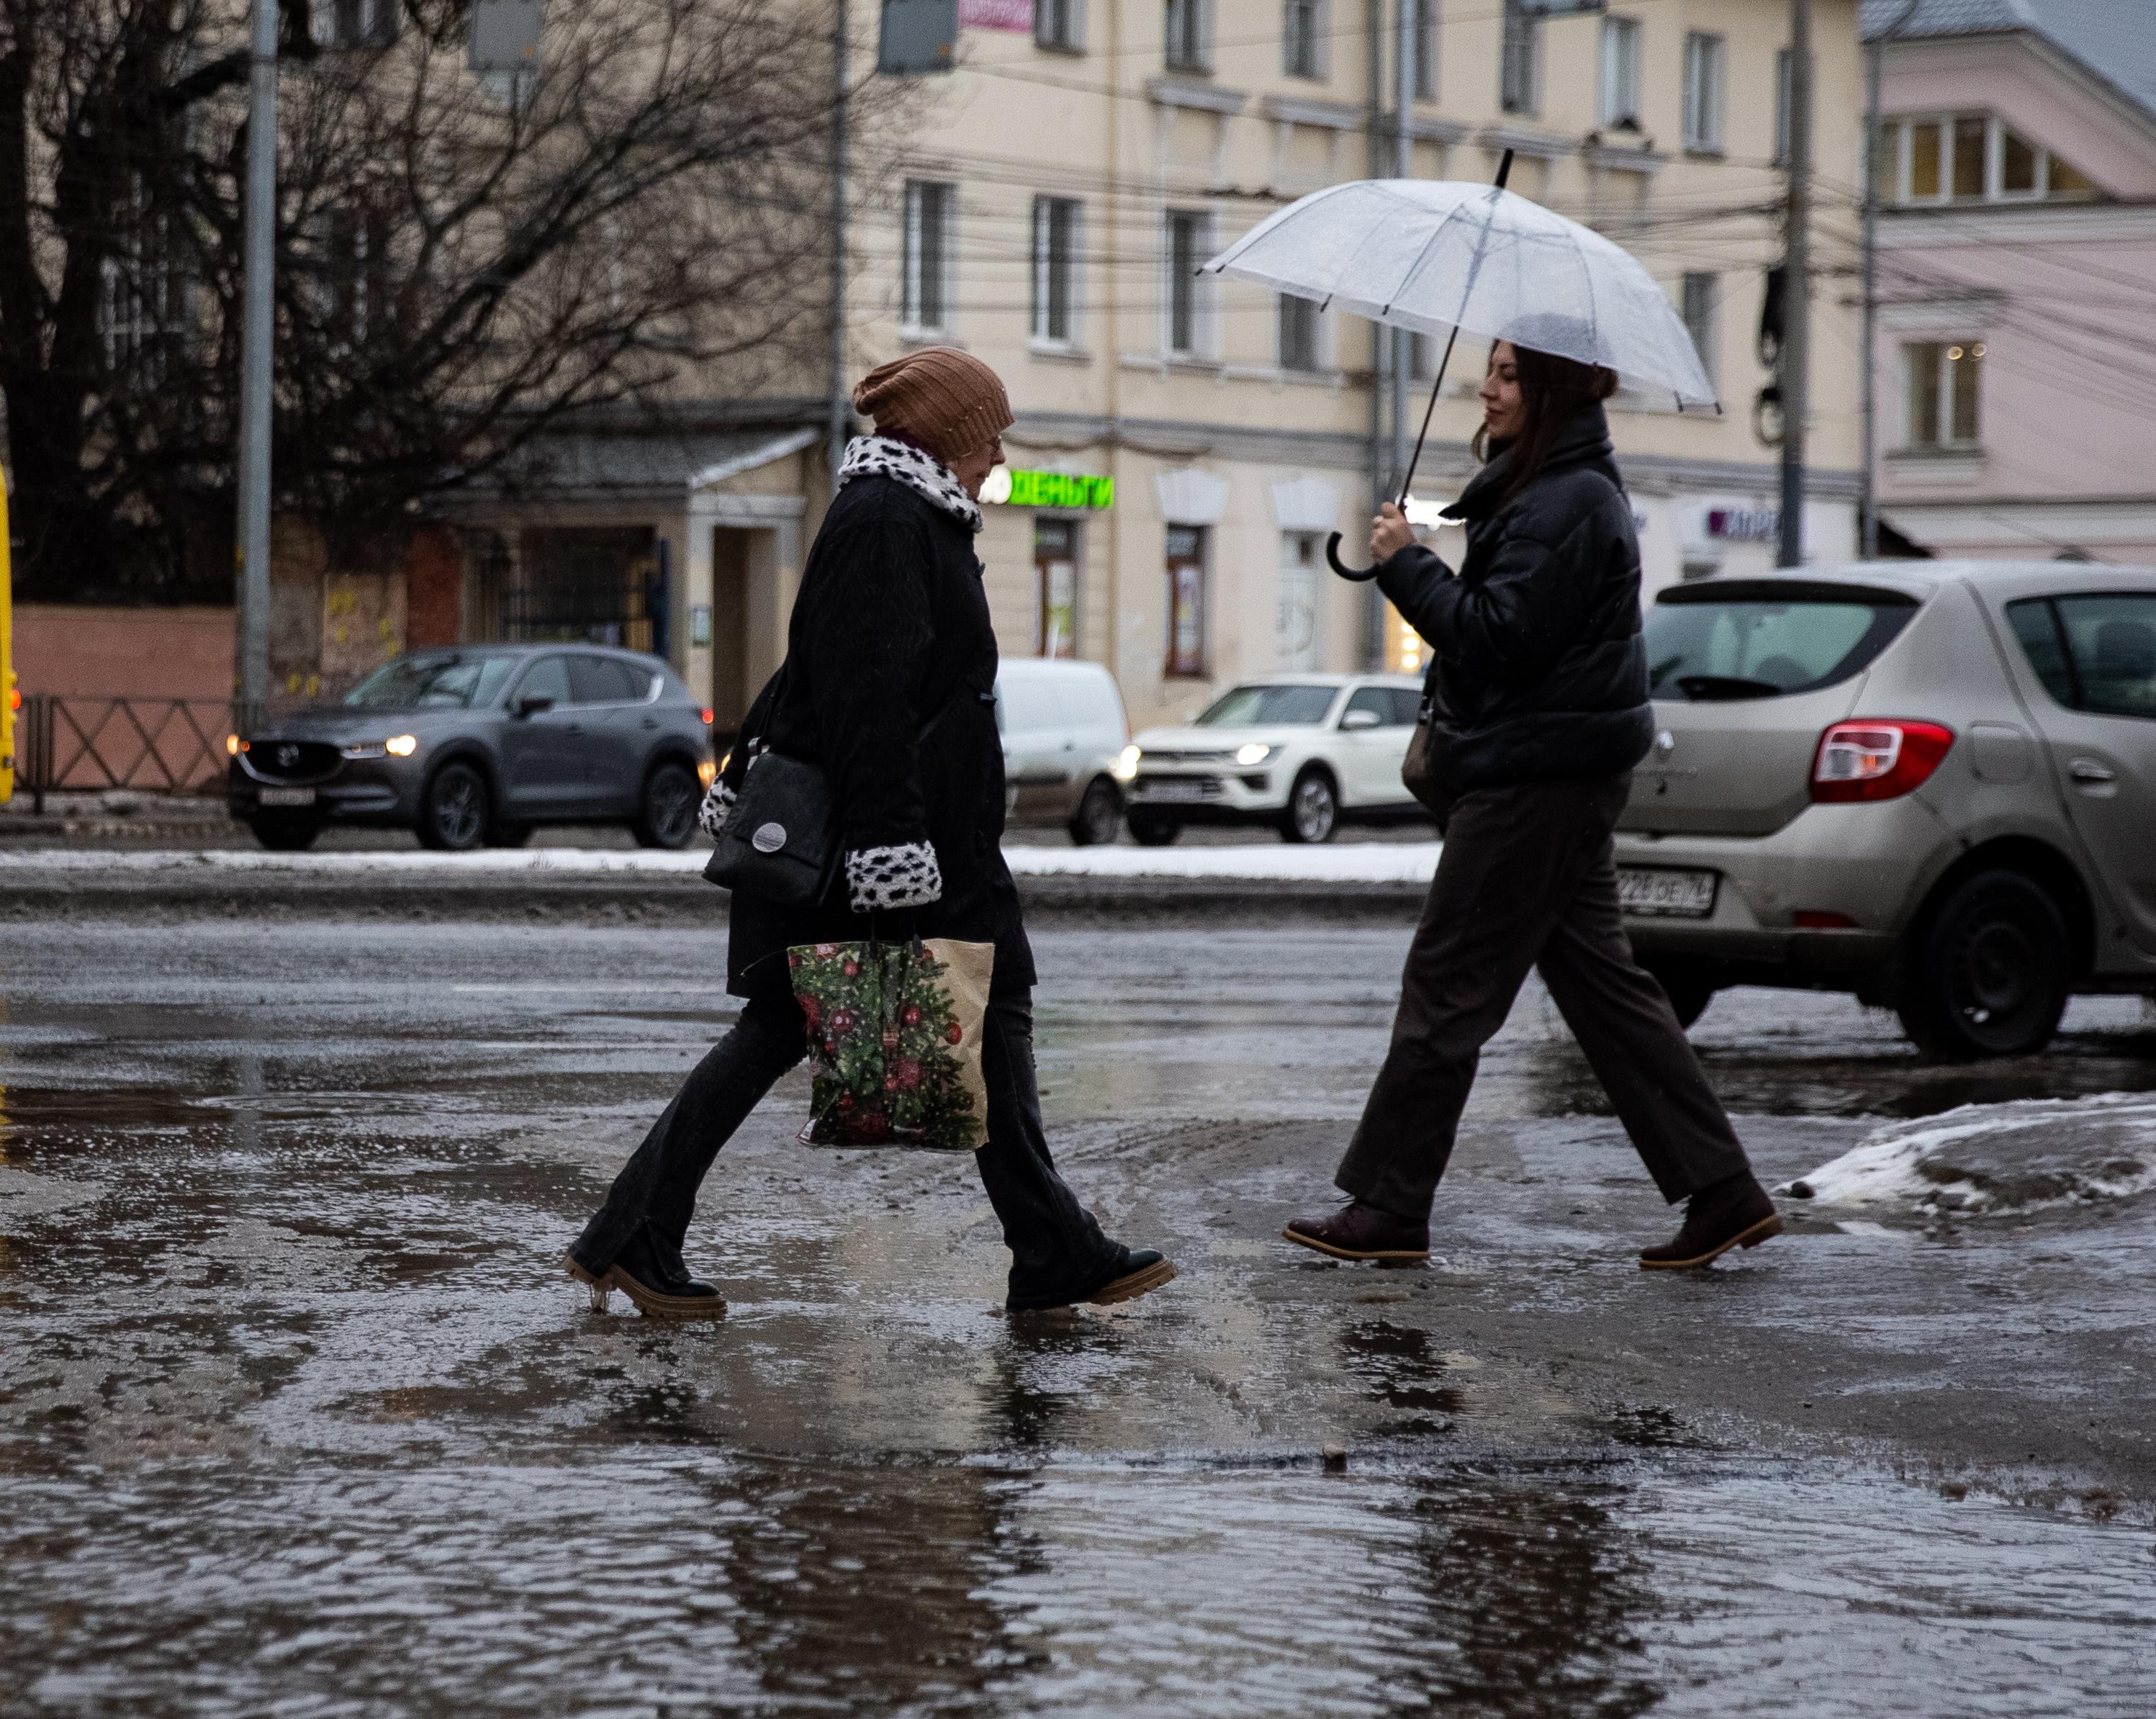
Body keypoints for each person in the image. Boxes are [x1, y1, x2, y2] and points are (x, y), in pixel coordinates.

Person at [567, 347, 1173, 1321]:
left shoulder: (915, 517)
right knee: (795, 1027)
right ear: (946, 436)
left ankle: (1049, 1248)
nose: (998, 456)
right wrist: (893, 850)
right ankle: (635, 1230)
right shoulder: (888, 523)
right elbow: (863, 695)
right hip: (881, 845)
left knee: (991, 1005)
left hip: (936, 838)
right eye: (990, 437)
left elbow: (823, 668)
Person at [1284, 339, 1780, 1273]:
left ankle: (1390, 1203)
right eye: (1491, 371)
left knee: (1447, 987)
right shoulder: (1548, 489)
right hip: (1555, 769)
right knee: (1608, 993)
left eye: (1510, 374)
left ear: (1550, 390)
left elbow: (1497, 639)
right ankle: (1723, 1193)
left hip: (1534, 780)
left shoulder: (1565, 501)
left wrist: (1406, 568)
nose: (1487, 386)